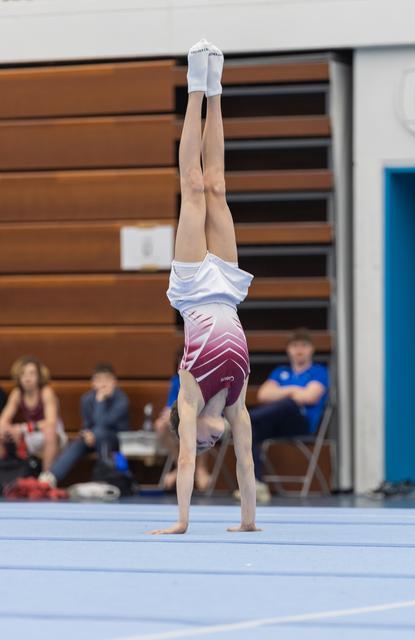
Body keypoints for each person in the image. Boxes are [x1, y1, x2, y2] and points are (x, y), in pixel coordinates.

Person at [150, 39, 259, 535]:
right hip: (229, 290)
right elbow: (247, 465)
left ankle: (194, 88)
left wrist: (181, 521)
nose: (205, 446)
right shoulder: (235, 402)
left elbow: (188, 467)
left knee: (191, 187)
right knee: (216, 184)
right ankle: (216, 89)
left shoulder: (190, 398)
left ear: (185, 427)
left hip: (195, 287)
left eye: (197, 442)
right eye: (206, 444)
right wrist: (248, 522)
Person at [248, 327, 329, 502]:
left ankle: (238, 421)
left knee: (287, 404)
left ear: (311, 349)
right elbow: (263, 395)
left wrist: (283, 391)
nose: (299, 350)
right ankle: (256, 484)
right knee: (250, 431)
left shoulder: (318, 371)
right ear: (288, 349)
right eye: (295, 345)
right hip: (278, 423)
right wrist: (294, 390)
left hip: (302, 423)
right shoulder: (280, 371)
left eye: (304, 345)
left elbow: (310, 396)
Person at [39, 363, 130, 486]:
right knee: (78, 443)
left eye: (107, 379)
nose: (103, 384)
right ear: (93, 383)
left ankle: (104, 480)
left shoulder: (122, 400)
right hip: (92, 438)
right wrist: (86, 434)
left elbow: (104, 422)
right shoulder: (86, 399)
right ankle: (50, 477)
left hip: (115, 438)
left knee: (101, 435)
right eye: (99, 379)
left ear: (114, 382)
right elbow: (86, 424)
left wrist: (100, 402)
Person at [154, 348, 213, 492]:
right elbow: (170, 407)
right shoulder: (176, 382)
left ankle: (200, 468)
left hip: (211, 421)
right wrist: (167, 414)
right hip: (184, 421)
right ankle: (181, 466)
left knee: (201, 422)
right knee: (161, 425)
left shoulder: (208, 379)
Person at [0, 355, 67, 470]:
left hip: (54, 436)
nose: (27, 378)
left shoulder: (46, 392)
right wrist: (7, 430)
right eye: (23, 374)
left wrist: (21, 429)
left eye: (32, 374)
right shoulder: (17, 393)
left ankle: (47, 479)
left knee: (49, 433)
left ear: (39, 376)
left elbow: (50, 423)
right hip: (31, 435)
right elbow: (3, 420)